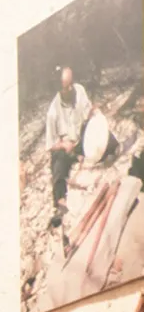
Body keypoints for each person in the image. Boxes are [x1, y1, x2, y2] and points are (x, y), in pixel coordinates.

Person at [47, 66, 92, 225]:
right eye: (67, 86)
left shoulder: (79, 91)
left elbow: (88, 113)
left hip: (82, 138)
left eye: (72, 83)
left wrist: (94, 113)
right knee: (57, 160)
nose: (72, 88)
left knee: (102, 136)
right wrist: (64, 144)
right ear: (59, 89)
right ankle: (60, 201)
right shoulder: (53, 111)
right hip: (67, 148)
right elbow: (51, 144)